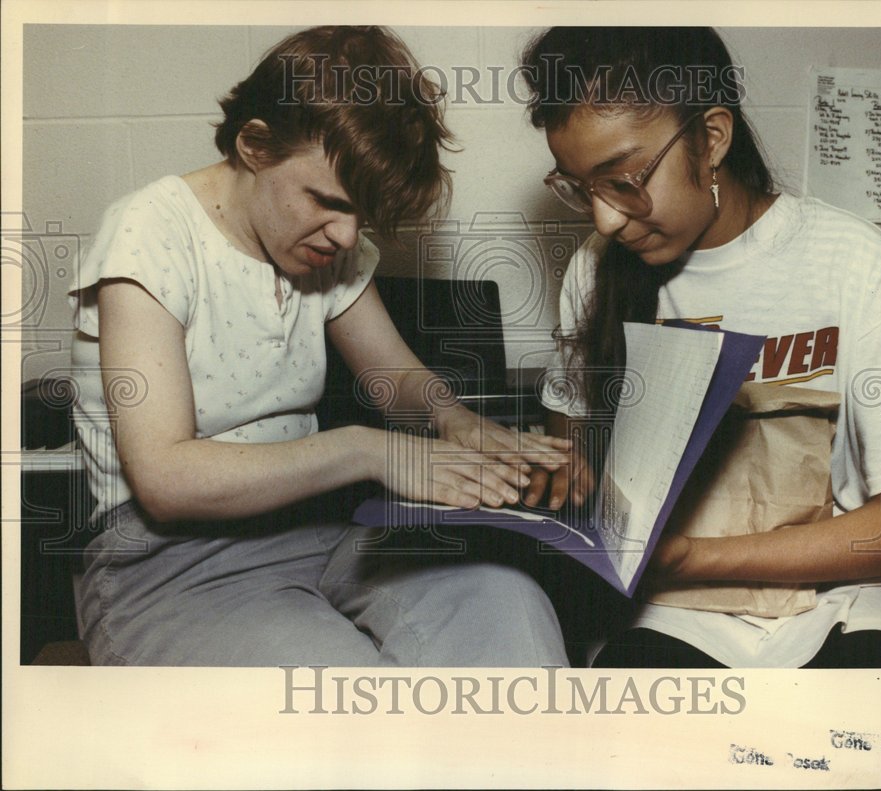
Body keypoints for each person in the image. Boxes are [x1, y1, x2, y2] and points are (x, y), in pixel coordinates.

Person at [69, 26, 572, 667]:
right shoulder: (148, 234)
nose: (345, 235)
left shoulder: (326, 243)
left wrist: (457, 421)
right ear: (254, 146)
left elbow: (398, 381)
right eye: (328, 202)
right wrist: (365, 449)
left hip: (326, 529)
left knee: (509, 610)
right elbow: (166, 479)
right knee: (344, 710)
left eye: (363, 214)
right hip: (169, 562)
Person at [518, 27, 881, 668]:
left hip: (835, 601)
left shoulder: (852, 261)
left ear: (711, 139)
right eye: (580, 187)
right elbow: (576, 468)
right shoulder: (594, 274)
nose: (606, 220)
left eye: (622, 179)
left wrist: (691, 556)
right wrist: (557, 481)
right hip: (672, 612)